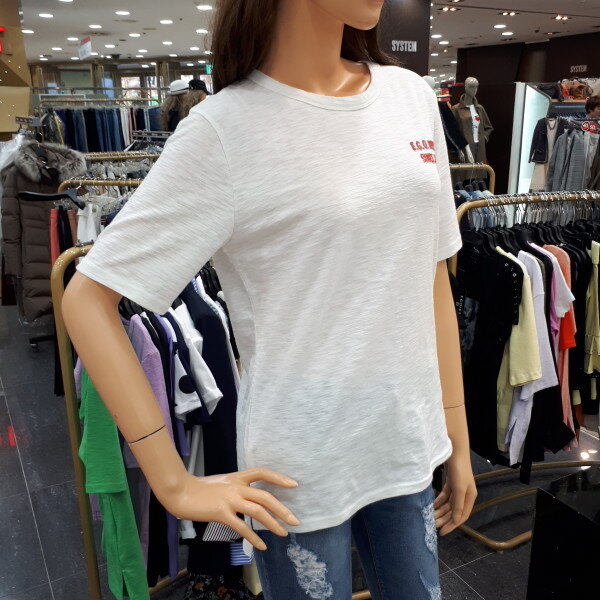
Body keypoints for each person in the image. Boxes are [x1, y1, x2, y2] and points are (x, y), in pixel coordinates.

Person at [63, 1, 477, 598]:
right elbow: (87, 299)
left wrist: (456, 434)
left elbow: (431, 274)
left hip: (406, 438)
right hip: (297, 466)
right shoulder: (226, 129)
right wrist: (174, 484)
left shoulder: (410, 97)